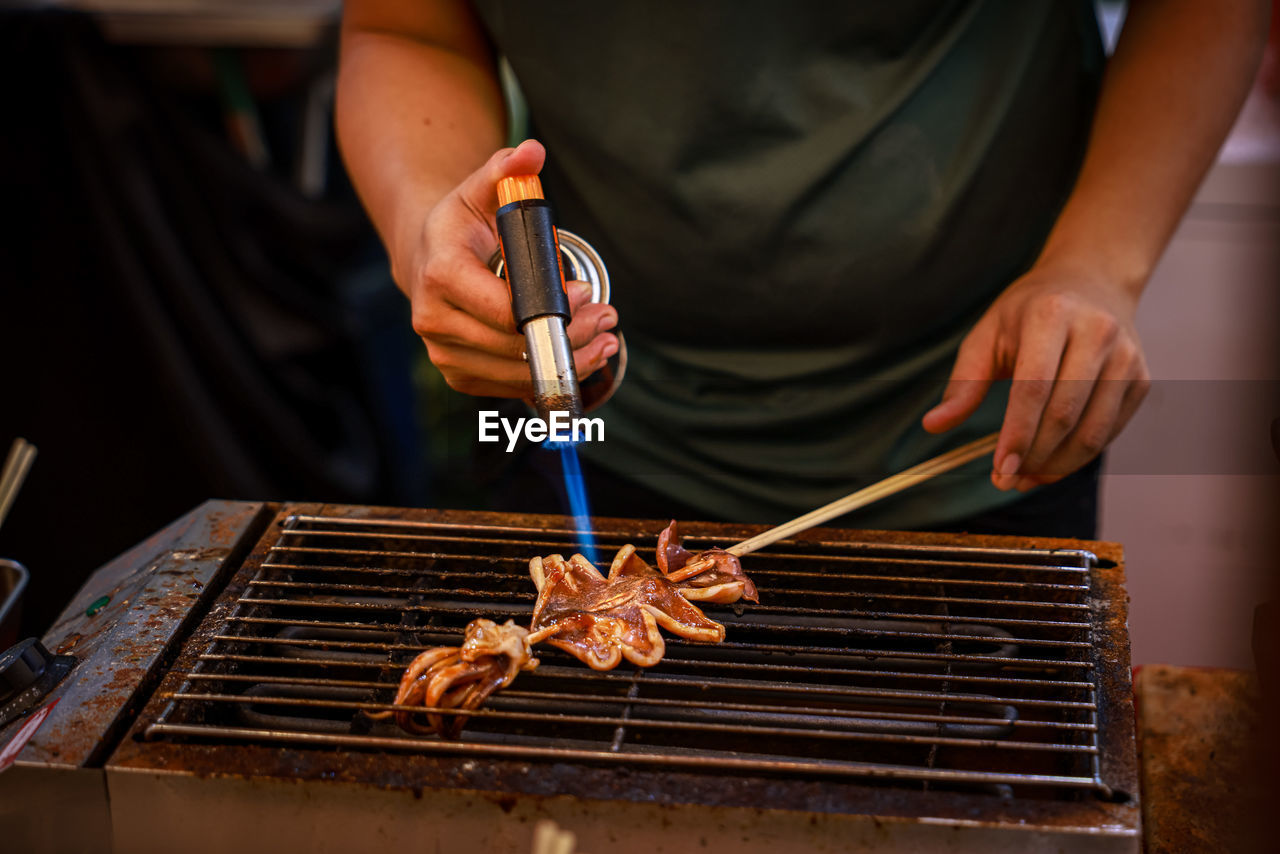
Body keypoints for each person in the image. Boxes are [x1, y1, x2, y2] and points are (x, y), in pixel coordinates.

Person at [334, 1, 1268, 537]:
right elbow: (406, 26)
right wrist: (434, 230)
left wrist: (1099, 261)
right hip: (591, 412)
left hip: (981, 431)